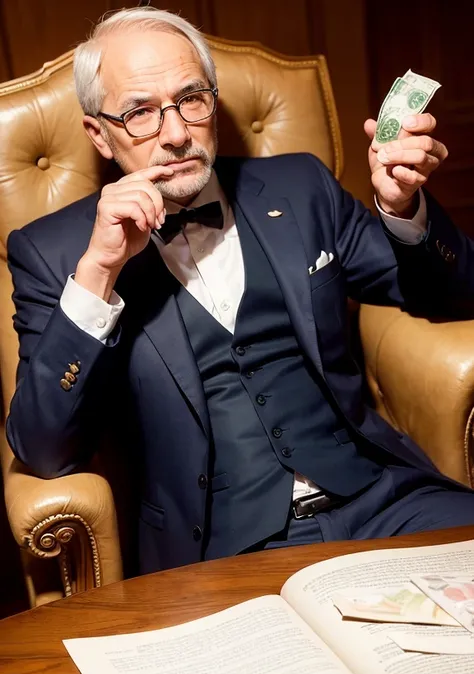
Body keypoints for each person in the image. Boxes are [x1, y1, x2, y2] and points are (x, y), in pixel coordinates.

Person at [6, 7, 474, 575]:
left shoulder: (300, 186)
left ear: (214, 100)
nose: (176, 134)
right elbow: (44, 450)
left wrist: (403, 211)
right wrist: (100, 273)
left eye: (192, 99)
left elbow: (454, 294)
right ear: (98, 135)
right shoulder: (53, 253)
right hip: (227, 549)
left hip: (387, 502)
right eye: (139, 114)